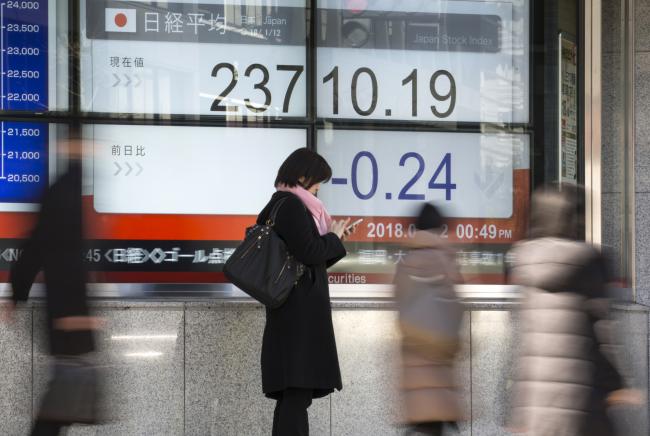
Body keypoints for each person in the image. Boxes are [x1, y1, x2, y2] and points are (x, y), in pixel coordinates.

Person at [507, 185, 640, 436]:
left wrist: (520, 409)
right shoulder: (590, 260)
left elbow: (525, 345)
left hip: (539, 404)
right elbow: (602, 331)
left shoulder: (524, 259)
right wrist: (616, 384)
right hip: (582, 395)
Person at [4, 138, 102, 436]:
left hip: (68, 312)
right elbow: (38, 246)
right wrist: (17, 294)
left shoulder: (70, 188)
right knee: (60, 401)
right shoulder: (64, 192)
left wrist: (17, 292)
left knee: (62, 400)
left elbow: (37, 247)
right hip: (67, 313)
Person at [258, 148, 355, 436]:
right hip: (297, 317)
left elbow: (306, 258)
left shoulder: (280, 204)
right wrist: (333, 238)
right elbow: (311, 251)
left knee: (293, 396)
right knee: (296, 394)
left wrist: (334, 241)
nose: (318, 190)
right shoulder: (291, 206)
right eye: (316, 184)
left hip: (291, 313)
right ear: (301, 176)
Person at [393, 203, 464, 436]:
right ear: (441, 228)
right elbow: (456, 311)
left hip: (413, 366)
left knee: (422, 425)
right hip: (440, 365)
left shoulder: (404, 265)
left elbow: (399, 305)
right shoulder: (446, 262)